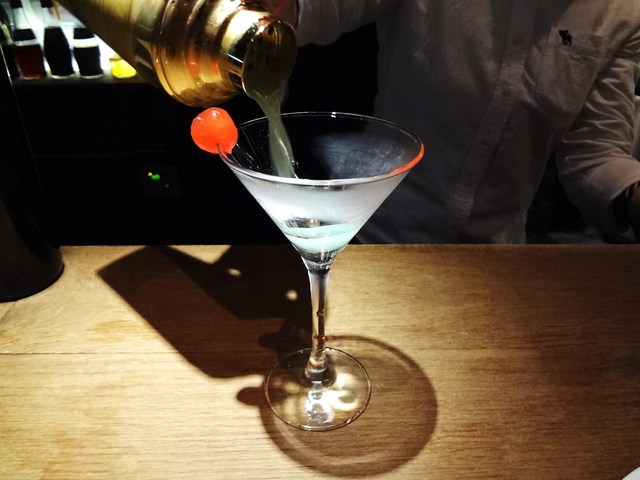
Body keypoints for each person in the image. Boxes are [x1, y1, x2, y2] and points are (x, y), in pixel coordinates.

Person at [271, 0, 640, 243]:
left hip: (498, 266)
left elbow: (595, 153)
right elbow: (325, 7)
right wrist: (279, 10)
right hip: (375, 238)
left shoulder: (623, 12)